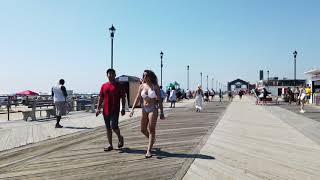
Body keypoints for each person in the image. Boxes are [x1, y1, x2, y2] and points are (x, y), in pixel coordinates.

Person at [130, 70, 165, 158]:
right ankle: (151, 139)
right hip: (144, 109)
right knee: (143, 129)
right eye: (144, 75)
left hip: (153, 109)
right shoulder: (142, 86)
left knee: (151, 129)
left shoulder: (155, 86)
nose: (144, 77)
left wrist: (162, 112)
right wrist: (132, 109)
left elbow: (160, 100)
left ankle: (149, 150)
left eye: (146, 75)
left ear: (150, 76)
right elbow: (137, 97)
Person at [96, 69, 126, 151]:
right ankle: (110, 145)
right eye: (109, 74)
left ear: (115, 75)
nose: (110, 75)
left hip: (115, 110)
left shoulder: (119, 85)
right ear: (107, 75)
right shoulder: (104, 85)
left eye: (112, 74)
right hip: (105, 110)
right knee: (108, 128)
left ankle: (120, 137)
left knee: (114, 127)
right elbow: (101, 97)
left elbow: (123, 97)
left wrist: (123, 108)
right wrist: (98, 108)